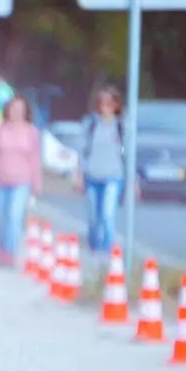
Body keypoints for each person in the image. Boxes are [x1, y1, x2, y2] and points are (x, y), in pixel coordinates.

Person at [0, 96, 43, 267]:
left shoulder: (32, 133)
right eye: (13, 109)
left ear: (25, 112)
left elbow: (35, 159)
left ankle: (10, 252)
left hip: (22, 182)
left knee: (14, 217)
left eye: (20, 110)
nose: (16, 113)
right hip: (1, 182)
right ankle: (2, 250)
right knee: (2, 219)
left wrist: (37, 183)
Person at [77, 84, 130, 254]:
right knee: (94, 218)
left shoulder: (122, 127)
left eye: (110, 103)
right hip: (92, 176)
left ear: (116, 105)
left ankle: (106, 252)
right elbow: (82, 152)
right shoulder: (91, 125)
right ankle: (94, 245)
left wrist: (132, 180)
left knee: (107, 215)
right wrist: (78, 174)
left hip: (113, 177)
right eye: (102, 103)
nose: (106, 107)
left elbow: (128, 156)